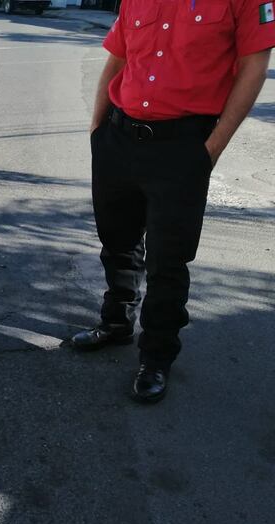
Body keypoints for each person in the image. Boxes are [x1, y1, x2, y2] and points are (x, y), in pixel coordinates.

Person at [72, 0, 274, 402]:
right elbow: (117, 58)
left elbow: (253, 67)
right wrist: (97, 129)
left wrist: (210, 151)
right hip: (119, 137)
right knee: (117, 240)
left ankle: (156, 356)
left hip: (182, 147)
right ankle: (116, 322)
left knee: (169, 258)